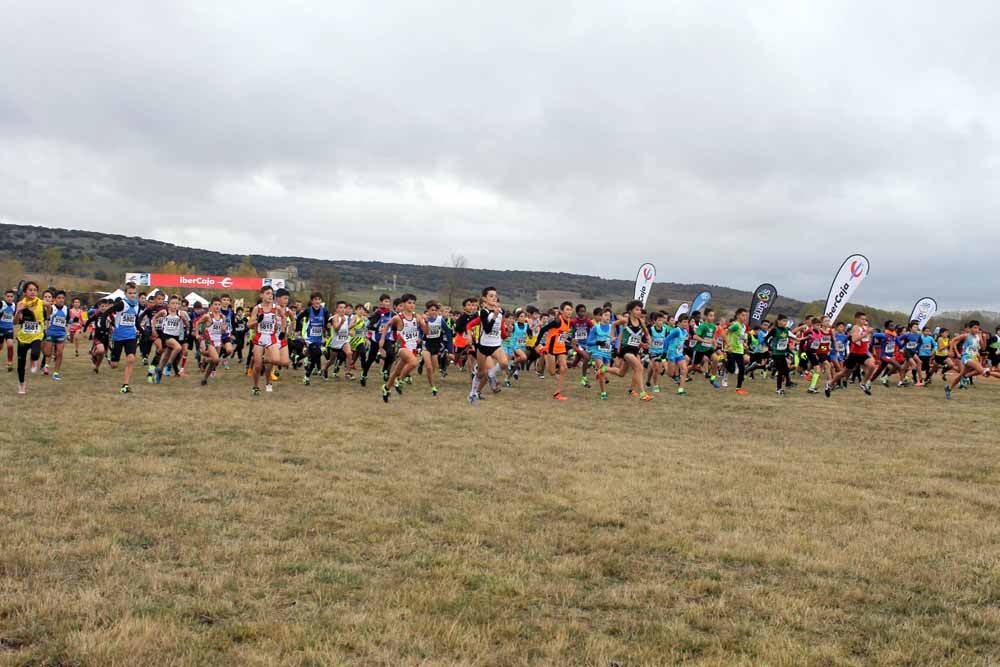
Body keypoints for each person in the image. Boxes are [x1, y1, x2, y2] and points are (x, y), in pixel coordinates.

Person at [381, 293, 426, 402]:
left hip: (413, 347)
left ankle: (386, 388)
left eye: (414, 303)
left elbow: (425, 332)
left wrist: (426, 323)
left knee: (397, 371)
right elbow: (387, 326)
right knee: (414, 363)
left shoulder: (418, 317)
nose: (412, 305)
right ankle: (400, 381)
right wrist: (382, 338)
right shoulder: (398, 317)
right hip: (402, 346)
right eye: (409, 303)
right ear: (403, 304)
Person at [606, 300, 653, 401]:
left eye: (640, 309)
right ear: (630, 311)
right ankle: (643, 394)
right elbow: (614, 324)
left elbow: (646, 334)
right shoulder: (626, 320)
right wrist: (611, 337)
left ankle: (603, 369)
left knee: (621, 373)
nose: (639, 311)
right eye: (637, 309)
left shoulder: (641, 322)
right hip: (625, 349)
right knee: (639, 368)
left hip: (635, 350)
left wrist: (647, 342)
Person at [945, 320, 1000, 399]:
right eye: (974, 328)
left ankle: (949, 388)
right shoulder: (966, 335)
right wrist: (950, 350)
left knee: (962, 375)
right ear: (970, 328)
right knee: (982, 370)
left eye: (978, 328)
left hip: (974, 358)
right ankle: (984, 372)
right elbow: (953, 340)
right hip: (966, 357)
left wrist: (983, 339)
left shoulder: (978, 337)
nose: (976, 330)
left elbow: (983, 348)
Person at [13, 281, 48, 395]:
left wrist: (49, 308)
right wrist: (19, 311)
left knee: (35, 353)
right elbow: (15, 322)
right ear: (25, 292)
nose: (33, 292)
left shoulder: (41, 302)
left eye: (35, 290)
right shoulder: (20, 304)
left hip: (37, 334)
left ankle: (34, 361)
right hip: (23, 337)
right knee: (21, 363)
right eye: (30, 290)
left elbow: (49, 308)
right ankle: (21, 385)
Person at [536, 301, 575, 401]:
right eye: (567, 309)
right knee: (552, 372)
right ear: (562, 311)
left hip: (561, 347)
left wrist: (571, 340)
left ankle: (557, 393)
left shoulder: (569, 321)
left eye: (570, 309)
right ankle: (544, 355)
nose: (569, 312)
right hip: (551, 348)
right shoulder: (557, 321)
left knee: (564, 368)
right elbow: (543, 329)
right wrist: (537, 343)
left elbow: (563, 334)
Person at [107, 282, 141, 394]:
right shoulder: (122, 304)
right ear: (125, 293)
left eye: (134, 293)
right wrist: (103, 322)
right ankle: (108, 356)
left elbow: (135, 320)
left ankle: (125, 385)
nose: (132, 295)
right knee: (114, 365)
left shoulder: (136, 305)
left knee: (131, 359)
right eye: (130, 293)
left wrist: (141, 330)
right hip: (118, 337)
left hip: (131, 336)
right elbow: (108, 312)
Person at [249, 285, 282, 396]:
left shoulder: (276, 308)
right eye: (267, 293)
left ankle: (268, 380)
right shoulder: (257, 309)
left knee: (276, 360)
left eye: (271, 294)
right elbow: (248, 325)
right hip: (259, 337)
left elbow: (283, 318)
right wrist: (257, 320)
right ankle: (255, 386)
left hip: (271, 337)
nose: (270, 296)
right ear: (261, 295)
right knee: (258, 366)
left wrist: (282, 331)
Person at [151, 295, 189, 383]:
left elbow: (187, 325)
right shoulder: (165, 312)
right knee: (178, 348)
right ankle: (168, 366)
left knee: (165, 357)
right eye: (173, 303)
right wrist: (153, 329)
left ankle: (158, 371)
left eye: (177, 304)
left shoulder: (181, 314)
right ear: (168, 305)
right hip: (166, 336)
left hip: (176, 336)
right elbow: (154, 318)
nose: (175, 305)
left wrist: (184, 320)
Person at [420, 300, 449, 396]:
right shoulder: (423, 319)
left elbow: (448, 332)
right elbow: (422, 332)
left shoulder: (440, 320)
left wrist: (450, 348)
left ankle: (430, 378)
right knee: (428, 367)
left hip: (436, 345)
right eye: (431, 310)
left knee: (434, 367)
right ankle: (433, 387)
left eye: (435, 310)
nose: (434, 312)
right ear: (427, 311)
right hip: (426, 344)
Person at [42, 289, 69, 381]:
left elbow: (66, 322)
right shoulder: (52, 307)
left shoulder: (66, 309)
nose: (61, 300)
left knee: (60, 353)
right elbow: (47, 308)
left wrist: (67, 333)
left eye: (63, 298)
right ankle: (46, 365)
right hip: (51, 333)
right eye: (59, 298)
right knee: (48, 353)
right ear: (55, 299)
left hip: (61, 333)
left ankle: (56, 373)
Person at [765, 314, 794, 395]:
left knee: (786, 369)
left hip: (782, 353)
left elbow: (790, 338)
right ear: (778, 321)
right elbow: (766, 339)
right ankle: (779, 389)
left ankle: (788, 383)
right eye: (784, 321)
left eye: (786, 321)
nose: (785, 323)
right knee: (781, 371)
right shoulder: (774, 330)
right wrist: (769, 348)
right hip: (775, 353)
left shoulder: (785, 330)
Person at [665, 313, 691, 395]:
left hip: (679, 354)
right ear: (679, 323)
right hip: (672, 353)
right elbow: (666, 340)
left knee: (684, 370)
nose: (685, 324)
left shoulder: (685, 331)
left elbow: (681, 342)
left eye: (687, 322)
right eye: (684, 322)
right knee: (670, 374)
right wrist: (665, 351)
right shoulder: (676, 330)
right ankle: (664, 364)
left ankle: (681, 390)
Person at [2, 288, 17, 372]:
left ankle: (10, 363)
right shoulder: (2, 304)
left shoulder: (15, 305)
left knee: (10, 345)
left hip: (9, 329)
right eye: (8, 296)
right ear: (5, 297)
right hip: (0, 329)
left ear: (13, 297)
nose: (9, 298)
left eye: (11, 296)